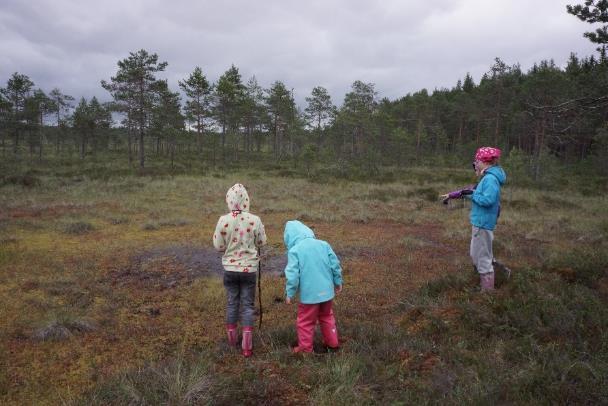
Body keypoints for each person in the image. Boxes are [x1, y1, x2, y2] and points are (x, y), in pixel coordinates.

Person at [442, 147, 507, 292]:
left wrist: (471, 195)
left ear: (484, 162)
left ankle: (487, 292)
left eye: (477, 161)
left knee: (482, 257)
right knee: (476, 254)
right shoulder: (487, 178)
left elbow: (487, 200)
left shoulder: (490, 179)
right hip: (480, 222)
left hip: (483, 224)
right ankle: (499, 271)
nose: (475, 164)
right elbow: (472, 190)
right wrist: (453, 195)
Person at [213, 183, 267, 357]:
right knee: (248, 306)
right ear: (246, 200)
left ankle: (232, 341)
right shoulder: (255, 220)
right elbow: (262, 242)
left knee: (232, 303)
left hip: (230, 269)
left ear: (229, 200)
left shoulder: (223, 220)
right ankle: (247, 347)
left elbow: (218, 246)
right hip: (249, 270)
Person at [283, 220, 342, 353]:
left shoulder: (295, 250)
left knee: (305, 322)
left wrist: (289, 293)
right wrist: (338, 282)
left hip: (309, 296)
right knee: (327, 316)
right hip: (327, 292)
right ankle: (332, 343)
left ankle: (305, 349)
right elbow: (335, 265)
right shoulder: (324, 244)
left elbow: (292, 275)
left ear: (289, 238)